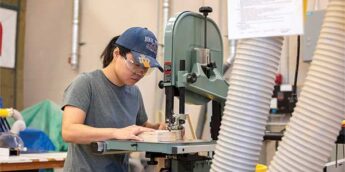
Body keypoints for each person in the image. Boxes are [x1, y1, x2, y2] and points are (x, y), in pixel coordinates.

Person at [61, 27, 165, 172]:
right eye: (136, 64)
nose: (140, 72)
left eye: (146, 68)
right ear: (117, 54)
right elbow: (69, 131)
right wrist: (116, 133)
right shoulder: (86, 83)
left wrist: (158, 129)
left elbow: (139, 126)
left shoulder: (134, 93)